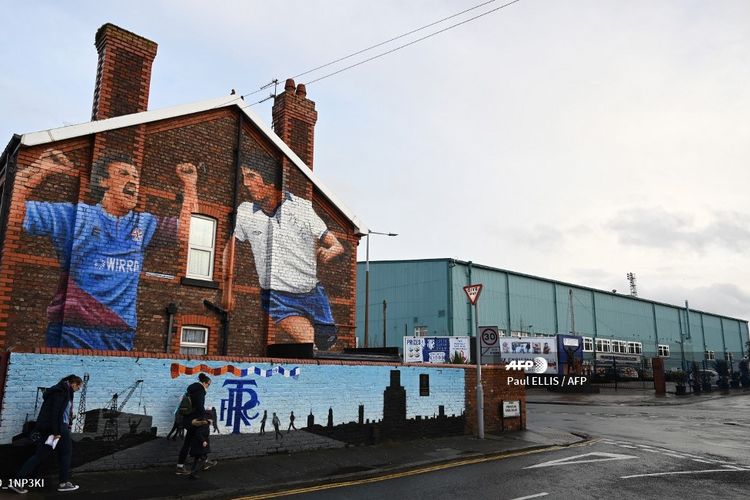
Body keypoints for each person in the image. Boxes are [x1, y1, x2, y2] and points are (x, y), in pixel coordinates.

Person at [18, 148, 198, 350]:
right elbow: (15, 211)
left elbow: (187, 232)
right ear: (103, 181)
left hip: (120, 333)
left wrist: (190, 185)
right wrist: (38, 170)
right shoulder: (78, 216)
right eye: (123, 174)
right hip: (72, 330)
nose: (133, 181)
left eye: (135, 176)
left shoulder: (144, 223)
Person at [230, 160, 344, 350]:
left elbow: (336, 244)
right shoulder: (244, 212)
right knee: (309, 344)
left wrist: (331, 251)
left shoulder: (303, 208)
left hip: (312, 294)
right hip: (277, 298)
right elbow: (229, 247)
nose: (246, 183)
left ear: (272, 182)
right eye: (244, 177)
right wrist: (227, 286)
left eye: (251, 176)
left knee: (326, 343)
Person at [11, 374, 83, 494]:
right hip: (58, 429)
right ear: (73, 383)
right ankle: (63, 483)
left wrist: (69, 418)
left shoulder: (58, 391)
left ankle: (17, 482)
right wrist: (56, 432)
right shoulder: (62, 392)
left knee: (39, 455)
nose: (78, 389)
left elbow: (58, 412)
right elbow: (55, 414)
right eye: (78, 386)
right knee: (66, 454)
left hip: (51, 428)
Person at [176, 374, 215, 475]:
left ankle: (203, 461)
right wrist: (203, 419)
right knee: (200, 438)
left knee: (193, 441)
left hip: (188, 419)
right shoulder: (200, 390)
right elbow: (200, 406)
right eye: (208, 385)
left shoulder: (191, 389)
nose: (208, 387)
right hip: (195, 420)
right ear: (204, 383)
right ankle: (183, 466)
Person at [187, 413, 215, 479]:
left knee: (197, 458)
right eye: (212, 420)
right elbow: (198, 433)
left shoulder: (202, 424)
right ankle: (206, 463)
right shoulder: (205, 425)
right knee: (198, 458)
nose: (212, 421)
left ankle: (205, 463)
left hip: (197, 444)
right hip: (199, 445)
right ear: (209, 420)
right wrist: (203, 441)